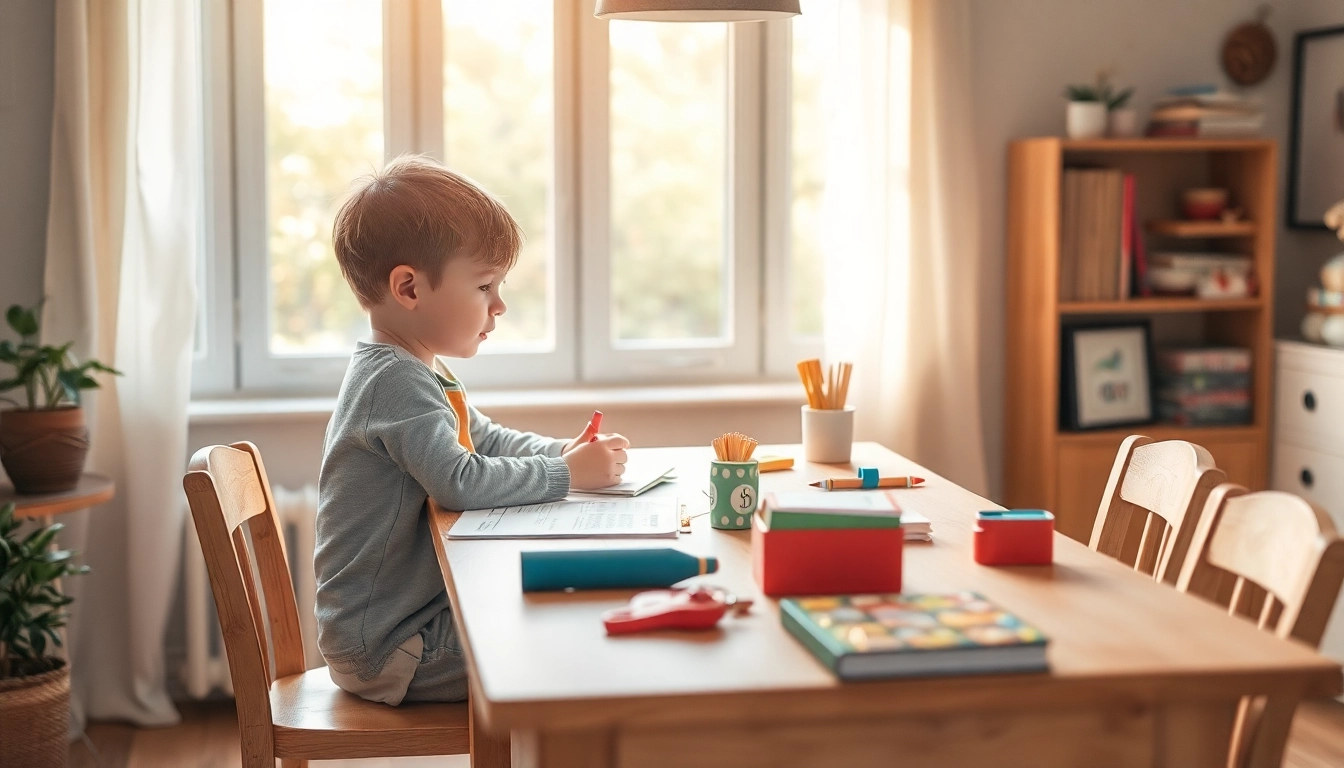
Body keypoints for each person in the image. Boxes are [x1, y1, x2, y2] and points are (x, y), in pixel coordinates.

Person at [314, 155, 628, 704]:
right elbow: (459, 480)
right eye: (485, 286)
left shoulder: (416, 369)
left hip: (401, 628)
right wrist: (564, 474)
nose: (500, 305)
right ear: (409, 288)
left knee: (558, 617)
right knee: (565, 633)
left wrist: (563, 451)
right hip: (392, 647)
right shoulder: (394, 381)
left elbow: (484, 440)